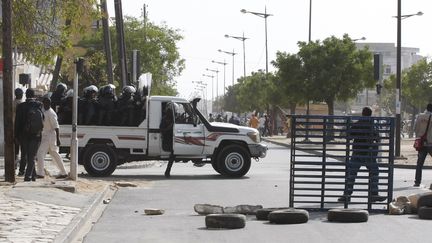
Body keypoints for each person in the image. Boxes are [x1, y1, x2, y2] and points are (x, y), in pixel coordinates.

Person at [338, 107, 386, 202]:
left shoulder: (357, 124)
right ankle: (374, 194)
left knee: (351, 175)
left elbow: (349, 136)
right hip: (369, 154)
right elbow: (377, 138)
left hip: (357, 153)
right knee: (374, 173)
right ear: (370, 114)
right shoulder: (373, 125)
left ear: (362, 114)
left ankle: (346, 195)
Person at [15, 88, 44, 181]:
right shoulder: (39, 105)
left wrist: (16, 135)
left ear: (25, 95)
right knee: (32, 156)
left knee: (28, 155)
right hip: (36, 134)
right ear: (34, 95)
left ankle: (30, 175)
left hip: (23, 135)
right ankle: (31, 176)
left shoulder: (20, 106)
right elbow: (42, 119)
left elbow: (17, 122)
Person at [36, 97, 68, 179]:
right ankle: (63, 172)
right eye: (44, 103)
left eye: (46, 103)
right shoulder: (43, 110)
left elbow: (56, 127)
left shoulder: (51, 113)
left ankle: (41, 173)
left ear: (49, 104)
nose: (45, 104)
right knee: (54, 154)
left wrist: (58, 139)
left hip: (50, 136)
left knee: (41, 153)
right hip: (45, 136)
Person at [413, 103, 432, 187]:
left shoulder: (420, 116)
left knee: (419, 163)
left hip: (421, 142)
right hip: (431, 143)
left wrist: (419, 136)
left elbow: (415, 128)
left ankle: (417, 181)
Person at [160, 103, 175, 177]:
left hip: (172, 139)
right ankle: (167, 171)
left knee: (173, 155)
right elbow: (162, 130)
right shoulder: (164, 119)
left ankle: (167, 171)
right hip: (167, 140)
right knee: (172, 155)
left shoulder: (173, 118)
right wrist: (170, 127)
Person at [14, 88, 24, 167]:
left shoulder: (13, 102)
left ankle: (16, 162)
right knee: (22, 146)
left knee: (16, 146)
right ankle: (19, 163)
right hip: (20, 127)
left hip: (14, 126)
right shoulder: (20, 104)